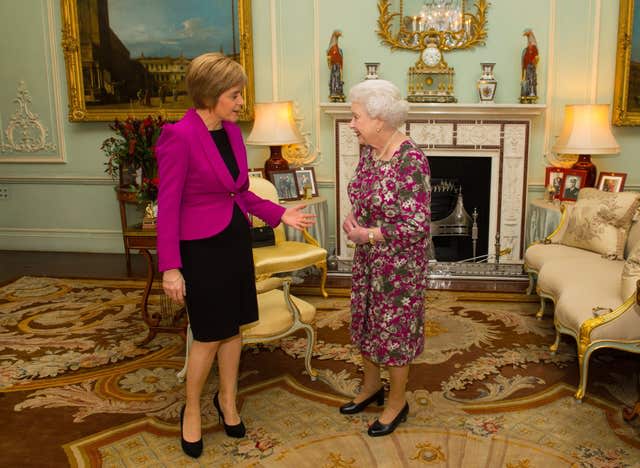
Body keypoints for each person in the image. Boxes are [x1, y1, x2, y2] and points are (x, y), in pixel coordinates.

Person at [156, 52, 315, 459]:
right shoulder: (179, 135)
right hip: (199, 248)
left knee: (234, 328)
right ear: (210, 95)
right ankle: (191, 409)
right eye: (234, 94)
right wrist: (171, 267)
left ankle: (227, 401)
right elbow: (168, 205)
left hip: (232, 242)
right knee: (208, 336)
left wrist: (282, 214)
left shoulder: (230, 133)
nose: (241, 101)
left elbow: (241, 192)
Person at [341, 79, 431, 437]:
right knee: (367, 323)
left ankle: (396, 402)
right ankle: (370, 387)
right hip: (369, 260)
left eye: (356, 117)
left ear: (379, 119)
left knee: (394, 333)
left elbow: (417, 224)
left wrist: (369, 234)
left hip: (399, 266)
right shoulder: (369, 150)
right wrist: (354, 219)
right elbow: (364, 195)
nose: (352, 124)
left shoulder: (411, 160)